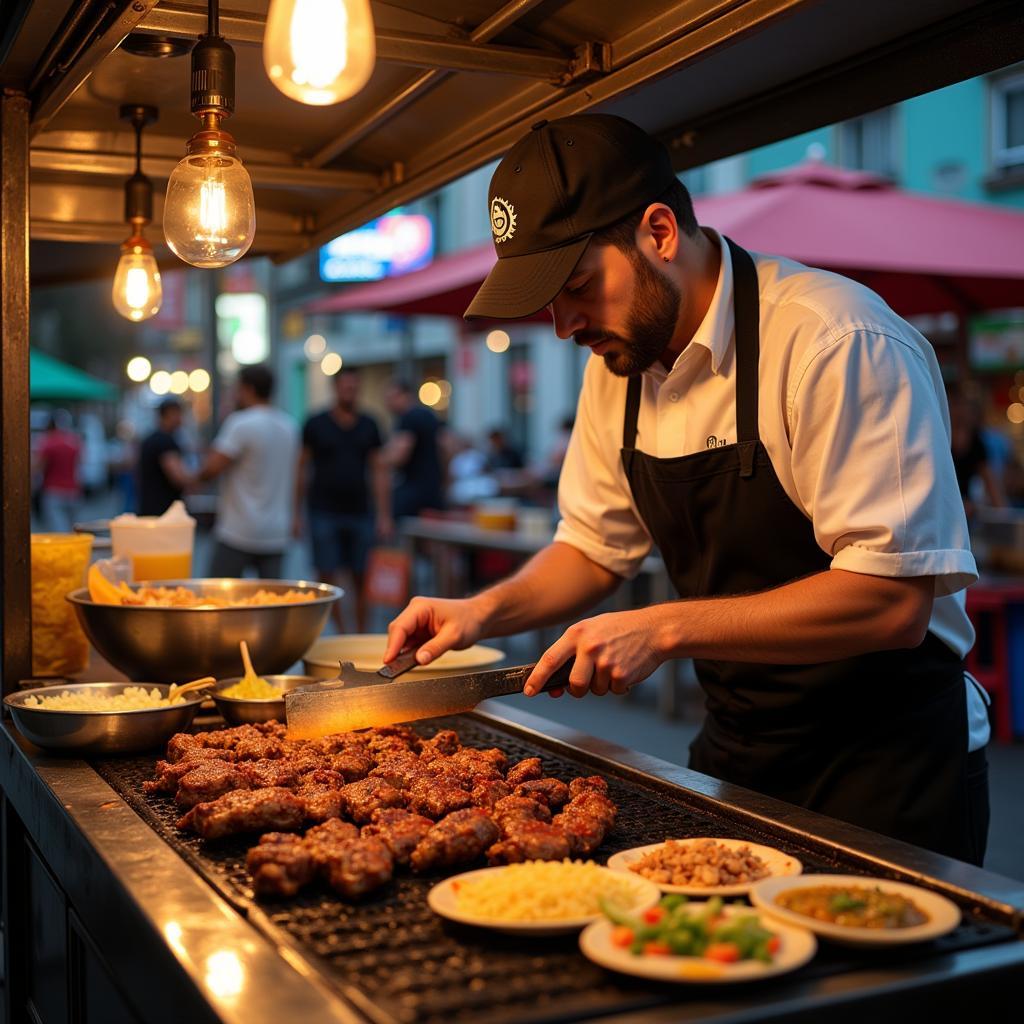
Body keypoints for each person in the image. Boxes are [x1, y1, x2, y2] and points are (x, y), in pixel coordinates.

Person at [385, 114, 989, 865]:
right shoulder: (623, 364)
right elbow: (595, 549)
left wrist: (662, 627)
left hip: (888, 766)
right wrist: (482, 613)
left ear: (660, 232)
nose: (566, 323)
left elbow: (891, 601)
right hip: (736, 752)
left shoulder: (835, 341)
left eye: (577, 286)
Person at [295, 367, 390, 632]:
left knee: (363, 576)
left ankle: (360, 633)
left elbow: (378, 471)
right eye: (346, 387)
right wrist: (295, 514)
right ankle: (342, 633)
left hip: (361, 512)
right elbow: (301, 469)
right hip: (322, 511)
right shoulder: (315, 423)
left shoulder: (370, 424)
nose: (350, 392)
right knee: (327, 576)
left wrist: (384, 514)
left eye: (354, 388)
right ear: (335, 388)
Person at [196, 364, 298, 579]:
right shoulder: (290, 426)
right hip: (277, 531)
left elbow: (211, 468)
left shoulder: (240, 423)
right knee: (272, 604)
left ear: (248, 389)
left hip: (238, 531)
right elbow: (298, 477)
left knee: (219, 601)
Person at [381, 379, 445, 518]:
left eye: (391, 398)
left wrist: (379, 460)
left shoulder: (408, 418)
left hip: (413, 491)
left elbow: (400, 455)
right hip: (433, 488)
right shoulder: (429, 415)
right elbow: (446, 447)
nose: (388, 404)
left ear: (405, 395)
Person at [947, 384, 1004, 517]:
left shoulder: (977, 442)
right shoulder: (941, 439)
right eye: (955, 404)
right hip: (945, 509)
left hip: (967, 512)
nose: (960, 411)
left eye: (964, 405)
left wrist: (1002, 514)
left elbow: (991, 483)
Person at [137, 400, 189, 516]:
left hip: (149, 507)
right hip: (164, 511)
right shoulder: (165, 442)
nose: (181, 420)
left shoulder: (151, 439)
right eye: (179, 414)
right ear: (170, 414)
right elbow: (178, 478)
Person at [35, 410, 82, 531]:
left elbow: (39, 467)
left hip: (53, 490)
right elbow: (79, 464)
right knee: (72, 529)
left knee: (59, 531)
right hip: (73, 490)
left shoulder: (48, 443)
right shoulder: (74, 441)